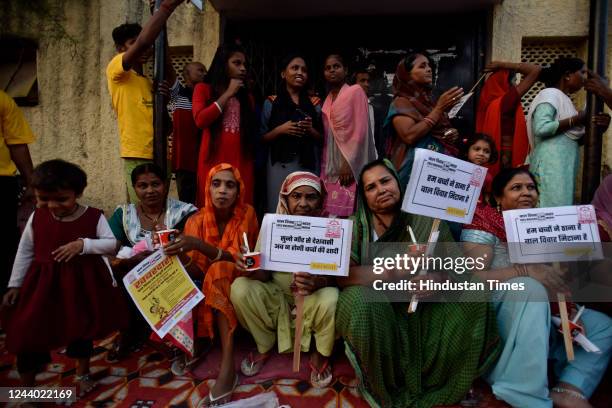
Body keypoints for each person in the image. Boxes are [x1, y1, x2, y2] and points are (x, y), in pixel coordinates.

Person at [335, 158, 500, 408]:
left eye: (385, 181)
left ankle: (443, 378)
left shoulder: (425, 219)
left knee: (472, 296)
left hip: (423, 307)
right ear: (364, 197)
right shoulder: (356, 226)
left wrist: (437, 280)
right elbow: (345, 276)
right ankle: (383, 387)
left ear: (397, 182)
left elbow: (456, 270)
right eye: (371, 187)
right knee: (358, 302)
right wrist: (396, 269)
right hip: (379, 308)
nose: (381, 189)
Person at [461, 167, 612, 408]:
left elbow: (555, 280)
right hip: (494, 307)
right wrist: (525, 272)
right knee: (529, 287)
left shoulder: (546, 227)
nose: (526, 193)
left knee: (601, 326)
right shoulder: (484, 221)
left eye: (531, 188)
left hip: (543, 306)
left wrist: (569, 312)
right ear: (498, 198)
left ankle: (569, 388)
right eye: (516, 188)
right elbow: (472, 279)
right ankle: (524, 393)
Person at [2, 160, 126, 396]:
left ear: (77, 194)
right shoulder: (37, 217)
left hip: (79, 287)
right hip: (41, 287)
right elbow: (25, 250)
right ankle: (28, 390)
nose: (53, 206)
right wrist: (15, 284)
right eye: (43, 198)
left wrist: (83, 245)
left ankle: (82, 374)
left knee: (81, 329)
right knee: (28, 332)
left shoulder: (93, 216)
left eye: (61, 199)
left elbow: (113, 244)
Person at [161, 163, 258, 406]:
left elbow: (236, 258)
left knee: (219, 270)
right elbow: (196, 269)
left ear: (238, 190)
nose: (222, 190)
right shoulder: (196, 220)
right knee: (181, 275)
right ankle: (199, 342)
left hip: (241, 277)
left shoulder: (247, 213)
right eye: (216, 184)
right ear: (208, 188)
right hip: (211, 281)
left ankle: (227, 365)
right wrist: (179, 254)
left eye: (230, 185)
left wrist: (198, 244)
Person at [231, 171, 337, 388]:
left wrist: (317, 282)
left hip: (312, 299)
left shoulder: (331, 229)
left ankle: (320, 352)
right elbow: (264, 274)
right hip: (277, 299)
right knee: (240, 288)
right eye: (296, 196)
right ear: (285, 198)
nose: (304, 203)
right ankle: (264, 344)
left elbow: (336, 278)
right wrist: (251, 270)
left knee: (332, 297)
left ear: (320, 201)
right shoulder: (273, 226)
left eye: (311, 197)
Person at [107, 163, 197, 360]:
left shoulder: (185, 212)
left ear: (165, 185)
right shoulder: (124, 214)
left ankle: (164, 335)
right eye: (143, 186)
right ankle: (128, 333)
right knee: (114, 273)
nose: (150, 191)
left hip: (174, 272)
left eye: (155, 184)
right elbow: (109, 246)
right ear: (135, 188)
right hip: (133, 277)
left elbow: (191, 245)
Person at [106, 0, 183, 203]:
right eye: (132, 43)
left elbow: (167, 128)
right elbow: (143, 43)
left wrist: (163, 102)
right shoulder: (117, 72)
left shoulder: (149, 84)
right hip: (137, 154)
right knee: (143, 212)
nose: (144, 48)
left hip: (160, 153)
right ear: (121, 48)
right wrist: (165, 9)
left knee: (161, 210)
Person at [527, 57, 610, 207]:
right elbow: (541, 128)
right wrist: (578, 119)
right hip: (549, 167)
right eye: (582, 72)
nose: (585, 78)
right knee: (551, 212)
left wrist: (599, 129)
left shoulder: (565, 100)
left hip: (563, 168)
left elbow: (572, 140)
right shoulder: (550, 94)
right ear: (567, 75)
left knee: (561, 211)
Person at [384, 53, 464, 189]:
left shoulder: (429, 103)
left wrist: (451, 133)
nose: (429, 69)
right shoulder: (401, 102)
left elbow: (438, 131)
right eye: (422, 66)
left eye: (429, 65)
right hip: (412, 171)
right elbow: (409, 136)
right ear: (407, 75)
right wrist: (439, 109)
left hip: (437, 173)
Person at [192, 44, 257, 207]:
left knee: (241, 203)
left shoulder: (247, 97)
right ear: (223, 63)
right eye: (237, 63)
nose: (243, 69)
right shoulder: (203, 89)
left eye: (244, 65)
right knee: (210, 203)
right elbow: (201, 120)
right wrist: (228, 93)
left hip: (241, 158)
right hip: (212, 156)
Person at [260, 54, 323, 213]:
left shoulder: (315, 103)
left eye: (304, 70)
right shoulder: (271, 102)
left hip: (307, 164)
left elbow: (323, 138)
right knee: (278, 204)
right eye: (294, 68)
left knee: (305, 206)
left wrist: (310, 129)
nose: (300, 72)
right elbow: (262, 137)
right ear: (283, 74)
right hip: (278, 165)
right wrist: (281, 130)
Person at [320, 54, 377, 217]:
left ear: (345, 70)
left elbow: (360, 130)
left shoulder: (355, 91)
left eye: (336, 66)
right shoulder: (328, 99)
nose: (332, 70)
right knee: (329, 214)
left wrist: (348, 163)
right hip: (329, 165)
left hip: (349, 164)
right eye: (327, 68)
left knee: (347, 215)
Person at [475, 61, 540, 175]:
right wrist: (503, 65)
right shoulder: (507, 101)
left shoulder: (492, 103)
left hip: (497, 157)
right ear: (505, 83)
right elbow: (536, 70)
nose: (516, 85)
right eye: (514, 81)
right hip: (507, 158)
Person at [0, 90, 35, 291]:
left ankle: (6, 307)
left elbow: (17, 144)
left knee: (5, 247)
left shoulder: (3, 100)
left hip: (2, 182)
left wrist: (31, 182)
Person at [165, 62, 208, 204]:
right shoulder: (178, 94)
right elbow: (169, 69)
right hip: (184, 160)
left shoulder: (208, 97)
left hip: (204, 157)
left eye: (205, 70)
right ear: (187, 75)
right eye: (200, 70)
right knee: (186, 204)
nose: (204, 73)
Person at [459, 133, 499, 203]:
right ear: (466, 151)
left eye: (486, 151)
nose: (481, 154)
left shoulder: (488, 177)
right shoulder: (458, 169)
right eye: (477, 149)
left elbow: (487, 198)